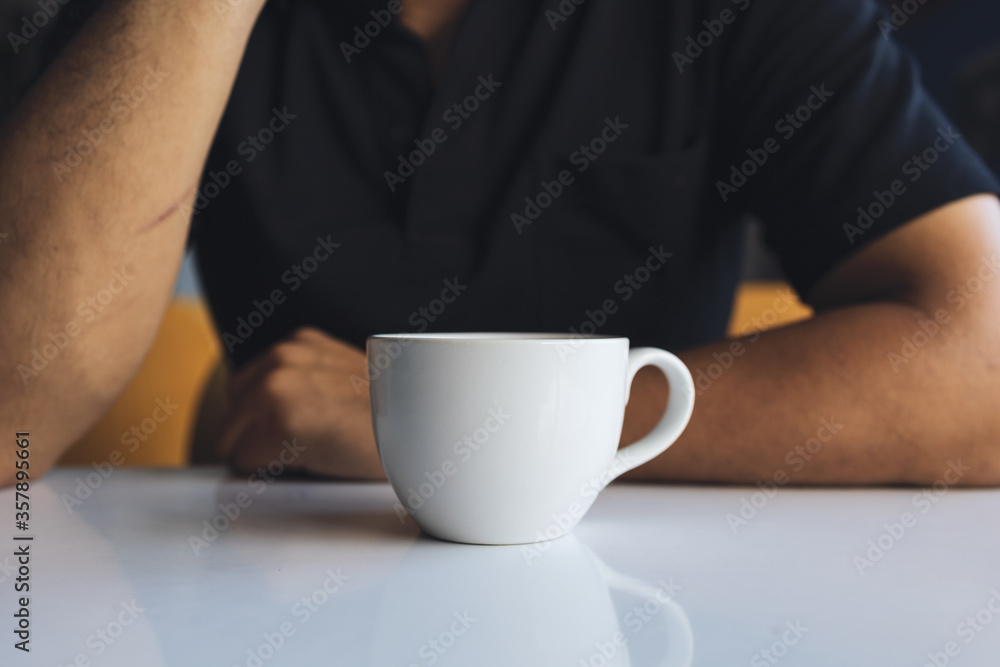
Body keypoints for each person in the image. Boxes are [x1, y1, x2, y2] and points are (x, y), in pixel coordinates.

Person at [1, 0, 999, 489]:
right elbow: (13, 417)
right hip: (273, 600)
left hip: (646, 610)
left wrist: (447, 430)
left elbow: (984, 361)